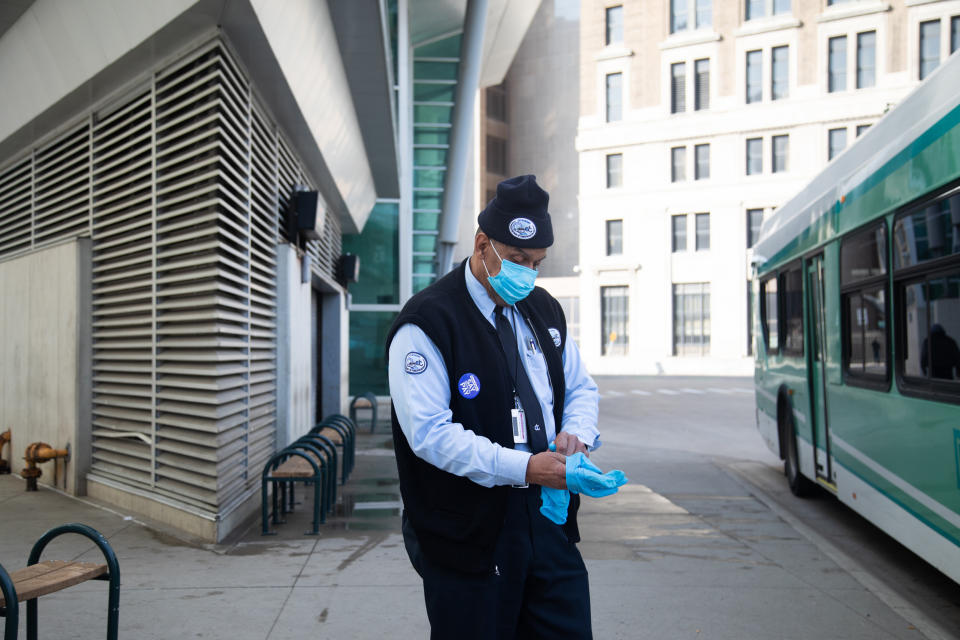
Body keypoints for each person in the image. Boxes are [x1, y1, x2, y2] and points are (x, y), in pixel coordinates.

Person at [387, 174, 600, 639]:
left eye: (537, 263)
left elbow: (580, 387)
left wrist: (576, 433)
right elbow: (430, 435)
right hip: (470, 536)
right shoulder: (428, 322)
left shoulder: (543, 311)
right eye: (518, 259)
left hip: (548, 521)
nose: (528, 272)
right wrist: (525, 467)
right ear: (482, 244)